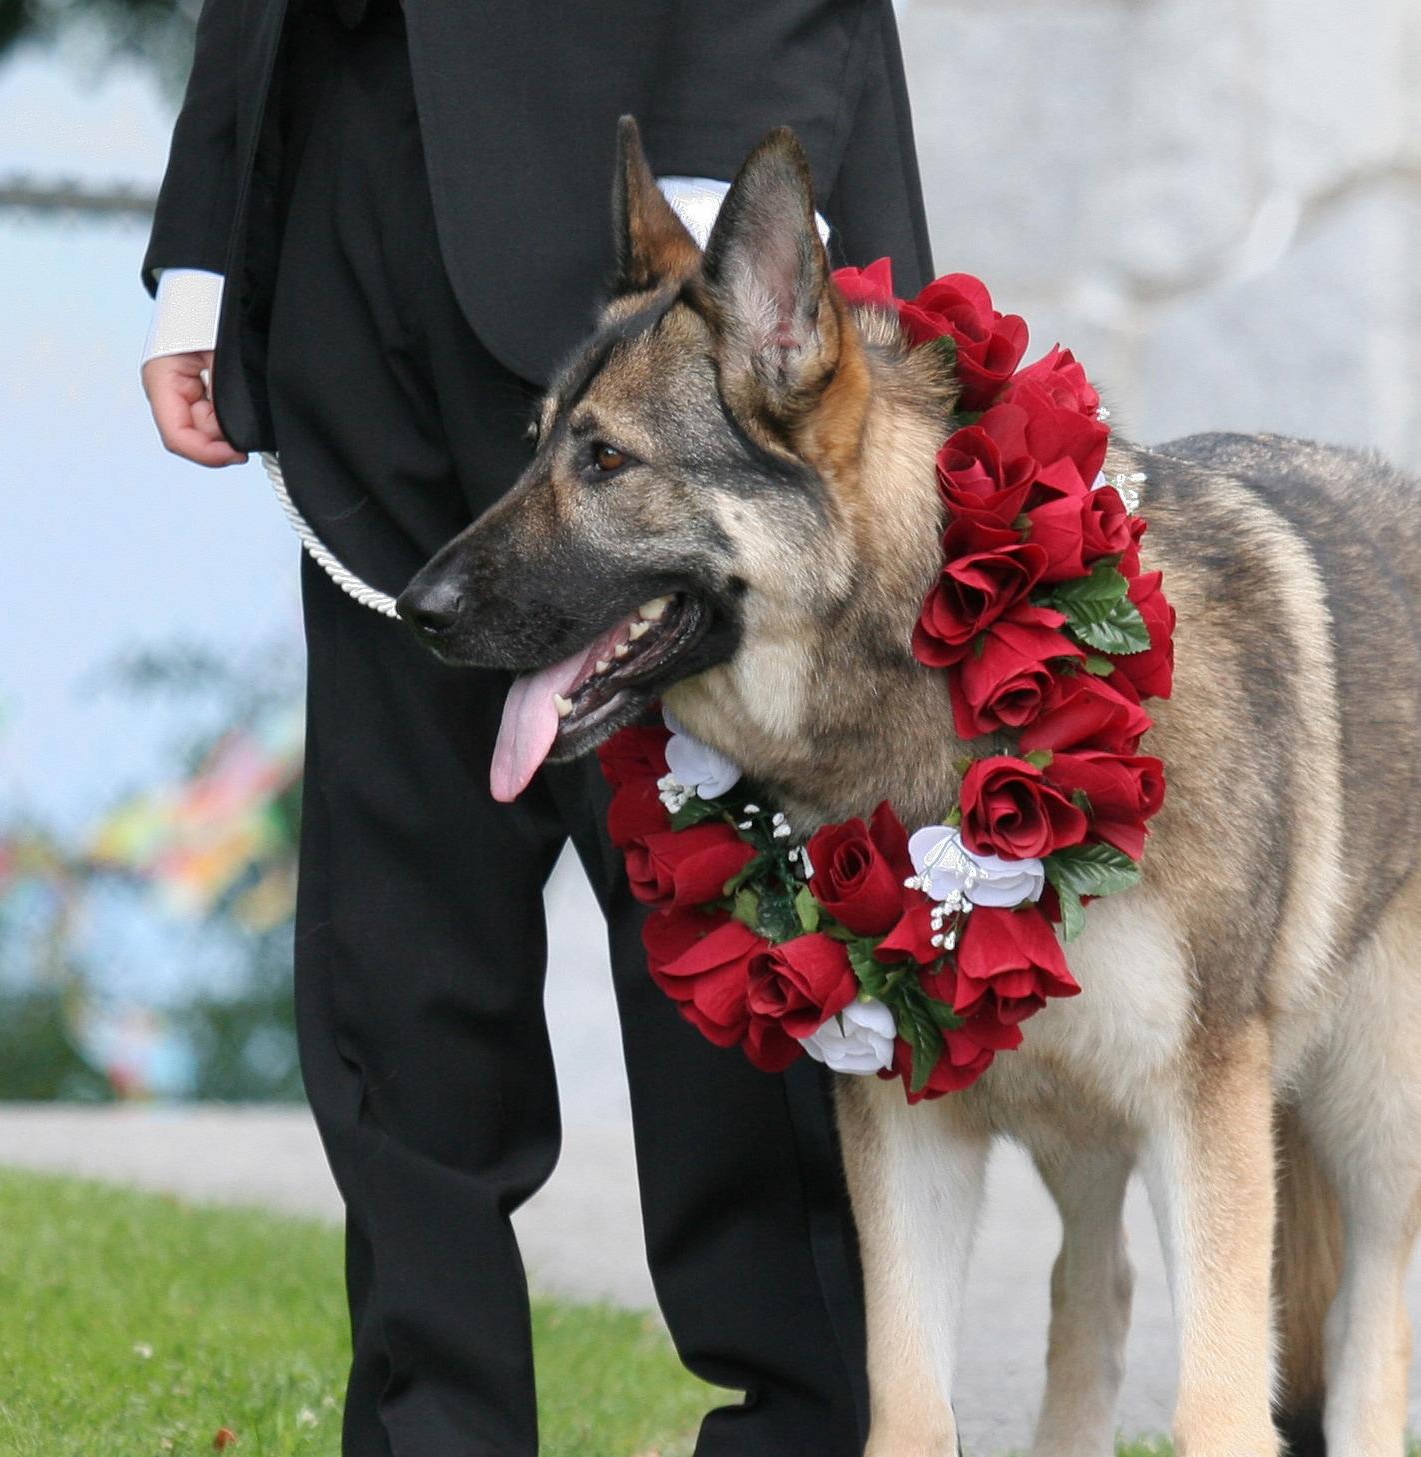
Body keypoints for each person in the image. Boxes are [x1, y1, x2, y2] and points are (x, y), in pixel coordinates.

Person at [139, 3, 932, 1453]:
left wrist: (706, 239)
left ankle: (807, 1423)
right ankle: (435, 1425)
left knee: (731, 905)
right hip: (350, 207)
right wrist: (210, 238)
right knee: (400, 922)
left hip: (673, 198)